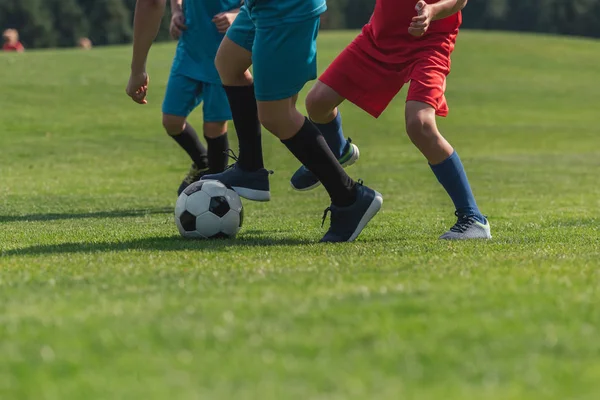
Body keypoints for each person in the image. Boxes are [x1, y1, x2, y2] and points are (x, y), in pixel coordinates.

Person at [298, 0, 491, 240]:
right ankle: (337, 150)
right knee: (317, 103)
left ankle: (473, 218)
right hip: (380, 38)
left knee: (420, 124)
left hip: (430, 43)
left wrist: (432, 11)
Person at [195, 0, 382, 242]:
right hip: (260, 7)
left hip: (287, 9)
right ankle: (249, 168)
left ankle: (350, 198)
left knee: (277, 115)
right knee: (229, 63)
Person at [126, 0, 241, 196]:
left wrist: (238, 15)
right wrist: (177, 10)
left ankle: (217, 190)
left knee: (214, 127)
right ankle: (202, 162)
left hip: (226, 52)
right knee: (171, 120)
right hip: (189, 50)